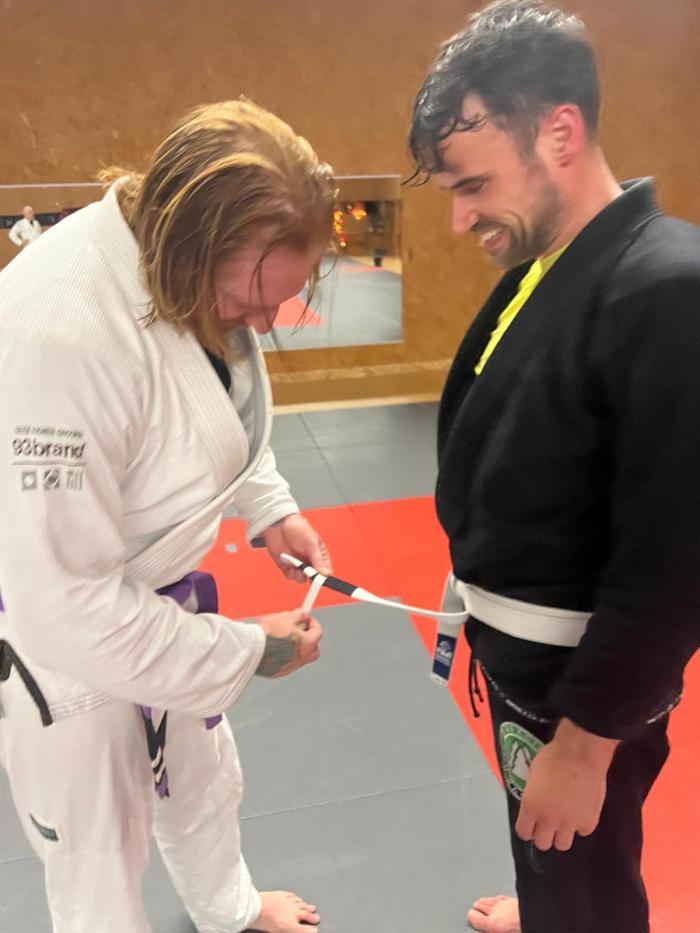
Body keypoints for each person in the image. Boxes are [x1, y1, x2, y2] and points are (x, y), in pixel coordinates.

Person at [0, 99, 337, 933]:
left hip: (152, 596)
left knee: (203, 780)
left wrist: (267, 505)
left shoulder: (180, 274)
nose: (264, 322)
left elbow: (207, 408)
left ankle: (228, 907)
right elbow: (64, 605)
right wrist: (248, 651)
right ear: (191, 247)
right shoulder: (60, 336)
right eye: (251, 299)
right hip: (63, 636)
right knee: (98, 852)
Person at [408, 3, 700, 932]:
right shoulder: (547, 270)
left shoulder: (669, 287)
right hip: (525, 662)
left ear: (560, 134)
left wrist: (585, 744)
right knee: (551, 854)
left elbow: (677, 556)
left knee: (587, 879)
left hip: (581, 684)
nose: (459, 218)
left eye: (473, 184)